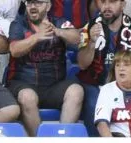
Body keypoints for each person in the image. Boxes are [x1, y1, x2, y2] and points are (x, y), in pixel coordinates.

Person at [7, 0, 83, 136]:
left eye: (38, 3)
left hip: (53, 86)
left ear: (48, 6)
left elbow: (77, 38)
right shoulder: (18, 24)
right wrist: (37, 37)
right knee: (27, 97)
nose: (33, 7)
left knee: (76, 91)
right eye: (29, 3)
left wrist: (58, 32)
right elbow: (14, 50)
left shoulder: (59, 22)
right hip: (24, 84)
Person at [78, 0, 131, 135]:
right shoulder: (89, 28)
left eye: (112, 2)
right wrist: (92, 42)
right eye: (103, 2)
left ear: (123, 5)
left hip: (127, 85)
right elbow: (82, 64)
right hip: (96, 83)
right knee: (93, 102)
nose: (106, 6)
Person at [94, 49, 131, 137]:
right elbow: (102, 123)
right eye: (117, 65)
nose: (121, 69)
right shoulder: (107, 89)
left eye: (126, 65)